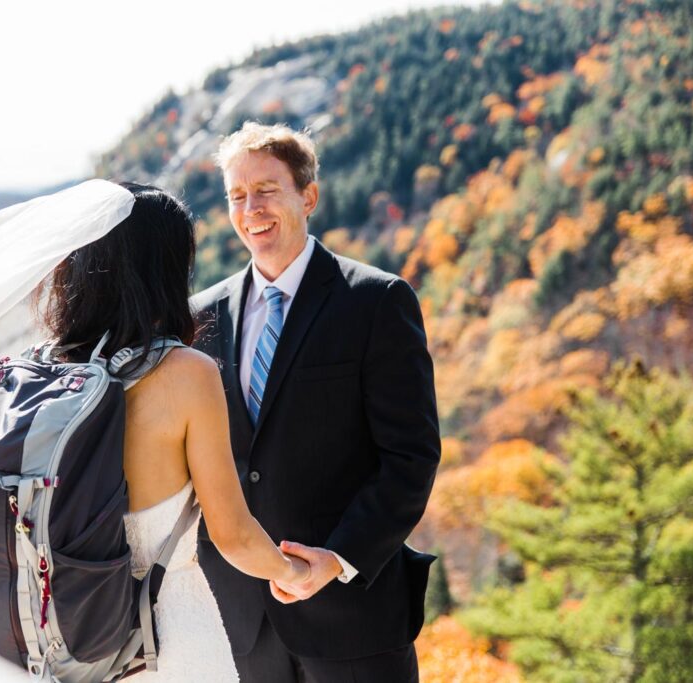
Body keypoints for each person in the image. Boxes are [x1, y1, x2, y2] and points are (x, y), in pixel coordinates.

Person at [190, 122, 441, 682]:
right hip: (242, 626)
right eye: (236, 196)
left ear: (309, 196)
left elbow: (411, 457)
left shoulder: (377, 301)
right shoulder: (199, 318)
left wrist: (337, 559)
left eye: (266, 190)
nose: (249, 207)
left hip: (355, 622)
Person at [40, 182, 311, 682]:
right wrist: (295, 573)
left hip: (65, 641)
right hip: (165, 638)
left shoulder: (46, 370)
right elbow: (232, 536)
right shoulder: (186, 373)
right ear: (163, 267)